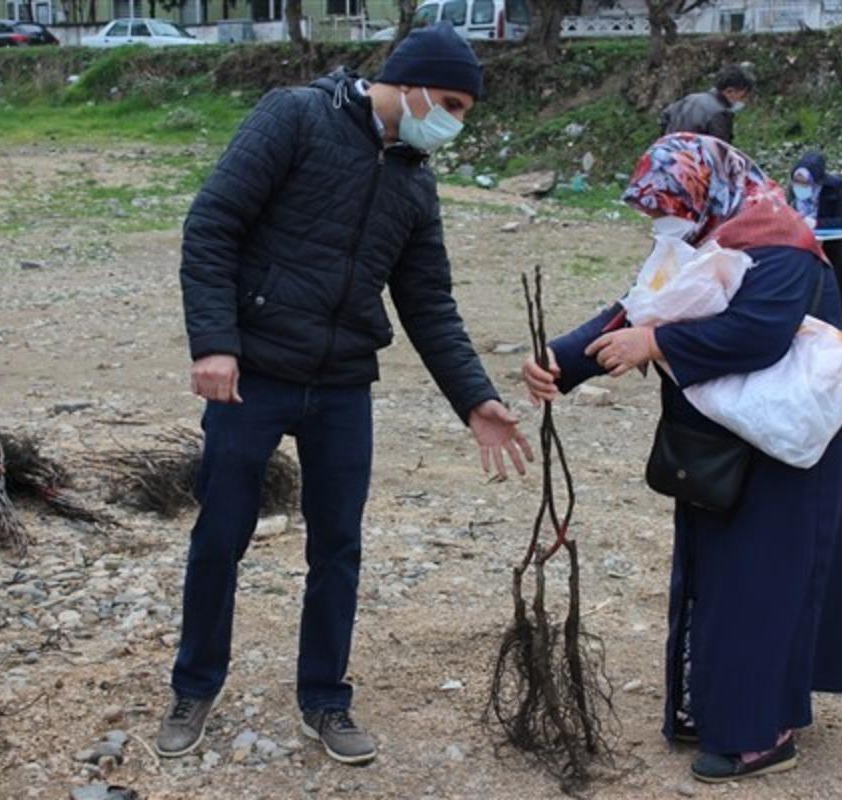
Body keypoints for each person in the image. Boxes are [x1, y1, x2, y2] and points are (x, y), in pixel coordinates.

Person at [163, 22, 532, 766]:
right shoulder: (294, 117)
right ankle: (195, 685)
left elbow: (429, 304)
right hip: (253, 378)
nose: (454, 122)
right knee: (221, 535)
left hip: (340, 388)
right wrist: (215, 343)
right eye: (451, 103)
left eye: (464, 111)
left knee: (339, 548)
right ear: (411, 81)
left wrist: (475, 399)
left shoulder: (414, 179)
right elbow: (212, 226)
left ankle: (325, 699)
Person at [523, 134, 842, 784]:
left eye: (670, 206)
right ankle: (714, 707)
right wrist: (559, 362)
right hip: (728, 436)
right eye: (654, 210)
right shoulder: (701, 236)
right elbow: (636, 307)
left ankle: (763, 731)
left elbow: (759, 333)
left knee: (763, 578)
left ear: (708, 187)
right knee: (719, 573)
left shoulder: (780, 240)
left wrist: (655, 343)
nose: (662, 223)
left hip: (788, 440)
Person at [788, 151, 842, 330]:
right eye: (797, 182)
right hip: (813, 241)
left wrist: (817, 223)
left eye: (805, 183)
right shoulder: (792, 193)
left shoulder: (835, 188)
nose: (800, 186)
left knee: (839, 256)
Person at [659, 64, 755, 143]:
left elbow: (665, 117)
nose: (744, 100)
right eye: (743, 96)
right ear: (729, 91)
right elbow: (720, 151)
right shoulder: (720, 113)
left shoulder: (690, 98)